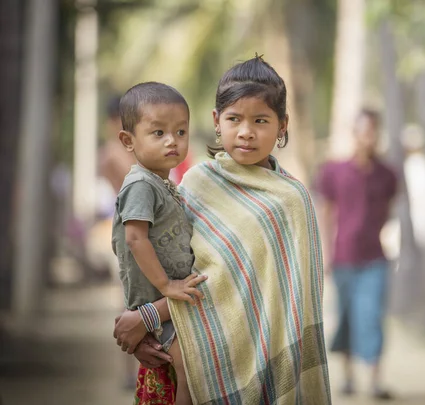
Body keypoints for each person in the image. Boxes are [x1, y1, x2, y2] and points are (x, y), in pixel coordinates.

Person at [113, 55, 331, 404]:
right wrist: (147, 330)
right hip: (182, 345)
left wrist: (148, 316)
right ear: (217, 121)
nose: (246, 131)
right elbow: (164, 257)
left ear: (283, 124)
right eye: (234, 119)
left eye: (261, 120)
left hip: (254, 358)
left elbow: (225, 280)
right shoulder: (197, 182)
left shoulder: (289, 202)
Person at [111, 82, 206, 405]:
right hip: (157, 299)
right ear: (128, 140)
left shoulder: (163, 185)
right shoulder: (140, 185)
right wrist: (167, 285)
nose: (172, 141)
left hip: (165, 301)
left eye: (181, 132)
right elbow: (135, 238)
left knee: (187, 371)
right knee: (188, 369)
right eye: (159, 133)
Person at [317, 109, 397, 400]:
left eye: (373, 130)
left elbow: (387, 211)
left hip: (375, 257)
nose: (368, 137)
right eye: (363, 130)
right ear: (355, 133)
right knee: (347, 316)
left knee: (372, 315)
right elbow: (326, 213)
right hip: (343, 257)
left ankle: (376, 380)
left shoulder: (387, 174)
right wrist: (326, 253)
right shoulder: (334, 171)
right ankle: (348, 377)